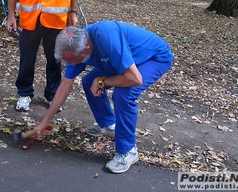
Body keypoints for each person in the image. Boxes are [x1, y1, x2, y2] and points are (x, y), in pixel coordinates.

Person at [35, 20, 173, 173]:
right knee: (88, 81)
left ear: (86, 48)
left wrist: (102, 80)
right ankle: (108, 125)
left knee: (123, 94)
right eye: (69, 61)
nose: (72, 64)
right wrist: (44, 122)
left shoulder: (107, 37)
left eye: (74, 60)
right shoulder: (74, 47)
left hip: (153, 57)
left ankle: (128, 151)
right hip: (123, 61)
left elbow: (135, 79)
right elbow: (65, 86)